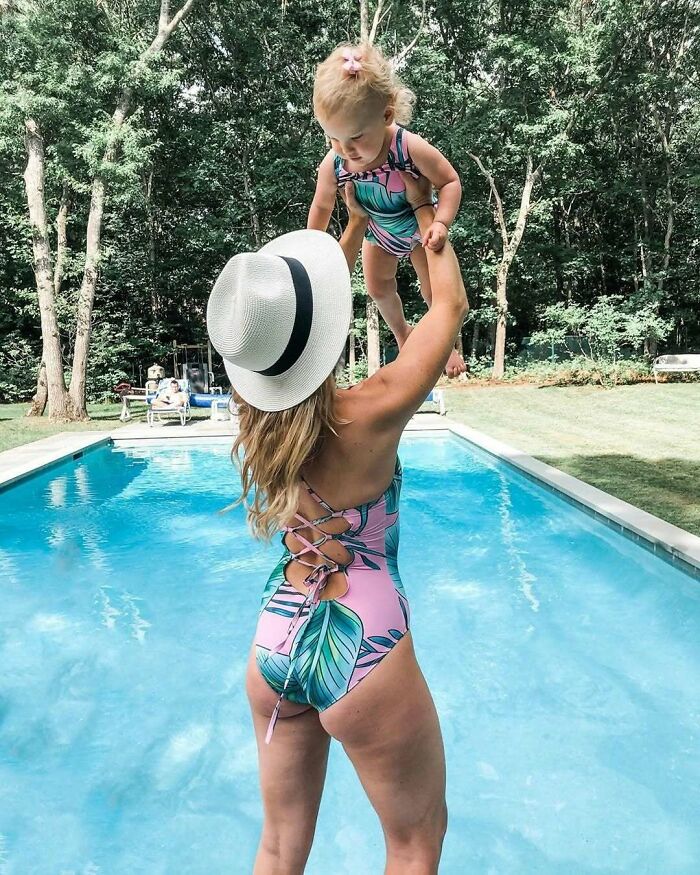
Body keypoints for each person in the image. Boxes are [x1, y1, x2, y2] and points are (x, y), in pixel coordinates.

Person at [207, 174, 467, 875]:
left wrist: (351, 228)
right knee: (415, 841)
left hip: (275, 642)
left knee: (279, 844)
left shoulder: (253, 419)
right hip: (362, 651)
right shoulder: (372, 411)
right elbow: (450, 306)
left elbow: (289, 328)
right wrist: (420, 208)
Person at [308, 42, 466, 379]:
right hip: (377, 232)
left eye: (355, 137)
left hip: (416, 228)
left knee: (432, 289)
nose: (345, 150)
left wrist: (441, 222)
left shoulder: (406, 146)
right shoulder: (336, 162)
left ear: (386, 115)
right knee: (379, 288)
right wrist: (311, 247)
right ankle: (402, 334)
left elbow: (450, 181)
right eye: (333, 138)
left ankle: (446, 344)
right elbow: (321, 204)